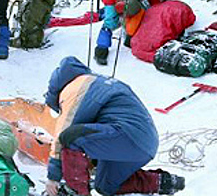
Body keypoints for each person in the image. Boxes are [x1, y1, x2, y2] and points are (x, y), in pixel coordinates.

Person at [41, 56, 185, 196]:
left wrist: (53, 178)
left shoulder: (75, 87)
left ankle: (77, 193)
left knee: (70, 137)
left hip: (125, 136)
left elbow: (64, 133)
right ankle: (162, 182)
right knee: (105, 186)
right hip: (144, 145)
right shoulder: (99, 82)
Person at [94, 0, 170, 65]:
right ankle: (101, 49)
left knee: (140, 13)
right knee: (111, 21)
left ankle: (129, 38)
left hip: (132, 0)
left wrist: (159, 9)